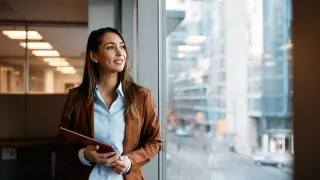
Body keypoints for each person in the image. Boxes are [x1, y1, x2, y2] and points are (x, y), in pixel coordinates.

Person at [56, 27, 162, 180]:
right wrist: (84, 154)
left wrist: (130, 161)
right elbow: (63, 142)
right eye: (111, 47)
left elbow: (155, 141)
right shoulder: (76, 98)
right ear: (94, 55)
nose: (120, 53)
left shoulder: (142, 97)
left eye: (122, 46)